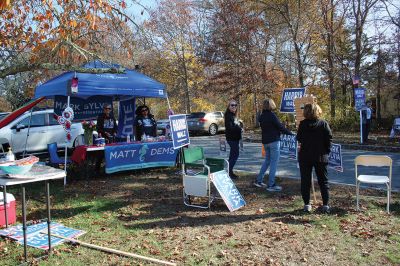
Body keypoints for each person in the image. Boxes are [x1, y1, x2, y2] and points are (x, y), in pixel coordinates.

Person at [296, 103, 332, 213]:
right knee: (323, 181)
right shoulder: (324, 124)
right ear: (318, 111)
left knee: (305, 181)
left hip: (305, 156)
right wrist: (327, 151)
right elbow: (329, 139)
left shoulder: (302, 124)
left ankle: (307, 205)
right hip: (321, 156)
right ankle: (325, 205)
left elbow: (299, 139)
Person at [254, 98, 293, 191]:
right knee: (273, 163)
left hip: (265, 142)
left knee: (267, 161)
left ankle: (259, 180)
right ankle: (271, 184)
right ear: (271, 105)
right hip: (274, 142)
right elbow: (280, 127)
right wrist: (290, 133)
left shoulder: (261, 116)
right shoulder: (272, 116)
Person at [224, 100, 242, 179]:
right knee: (235, 155)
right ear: (228, 107)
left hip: (235, 138)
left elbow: (235, 125)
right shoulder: (228, 115)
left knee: (232, 156)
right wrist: (239, 128)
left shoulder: (233, 115)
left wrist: (240, 124)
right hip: (232, 138)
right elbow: (230, 127)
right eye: (232, 105)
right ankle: (228, 171)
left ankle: (229, 171)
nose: (234, 106)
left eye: (235, 105)